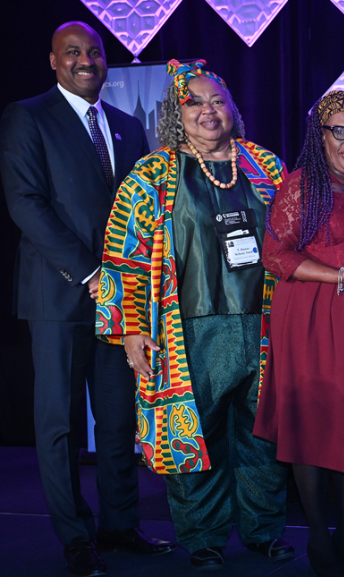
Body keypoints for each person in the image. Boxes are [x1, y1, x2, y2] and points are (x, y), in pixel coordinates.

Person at [95, 60, 291, 571]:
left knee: (262, 435)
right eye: (195, 102)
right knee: (193, 434)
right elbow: (125, 257)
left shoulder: (266, 167)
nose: (209, 111)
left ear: (233, 109)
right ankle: (202, 538)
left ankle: (263, 530)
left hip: (266, 323)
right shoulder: (151, 174)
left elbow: (294, 241)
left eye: (218, 101)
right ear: (176, 113)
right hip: (188, 331)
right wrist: (133, 327)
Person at [0, 21, 173, 576]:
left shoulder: (126, 125)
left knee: (119, 419)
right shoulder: (27, 117)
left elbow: (145, 212)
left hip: (124, 304)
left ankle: (119, 526)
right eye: (72, 52)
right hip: (60, 295)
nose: (86, 60)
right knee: (60, 422)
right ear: (53, 61)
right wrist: (93, 273)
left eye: (95, 52)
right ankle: (75, 536)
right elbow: (26, 203)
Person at [253, 91, 344, 576]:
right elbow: (275, 257)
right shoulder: (300, 188)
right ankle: (318, 535)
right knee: (313, 422)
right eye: (340, 130)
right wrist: (338, 276)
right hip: (314, 314)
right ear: (321, 137)